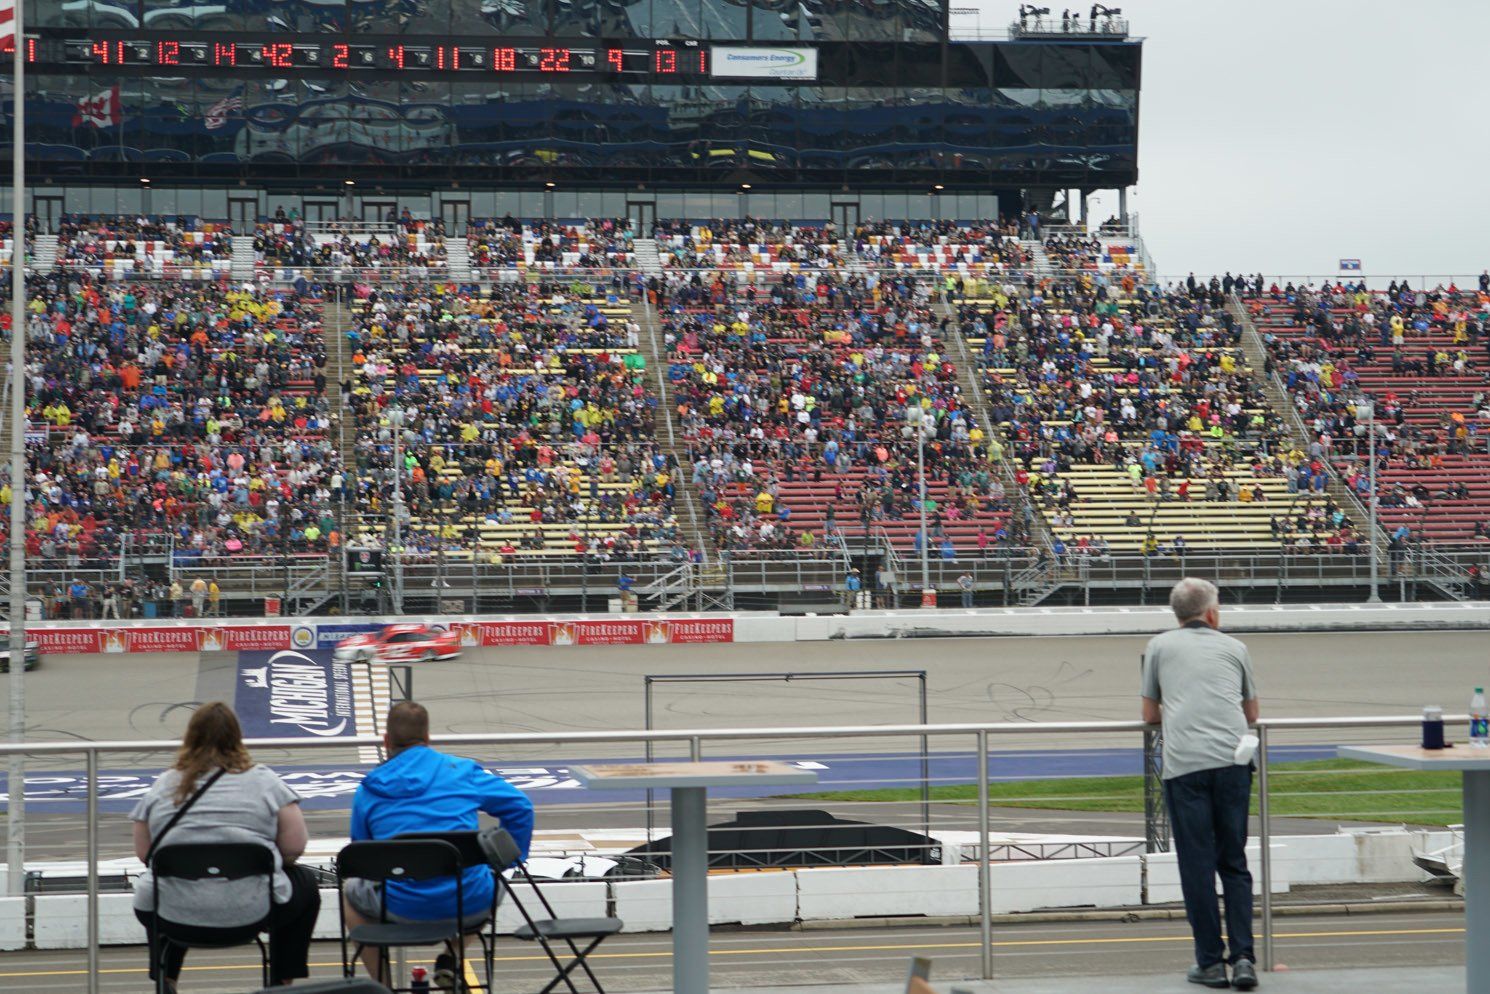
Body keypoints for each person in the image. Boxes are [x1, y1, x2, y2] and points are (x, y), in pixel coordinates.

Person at [131, 702, 320, 989]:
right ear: (237, 738)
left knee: (165, 883)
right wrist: (264, 861)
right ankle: (282, 981)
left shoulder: (163, 785)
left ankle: (165, 978)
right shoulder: (265, 782)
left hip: (175, 914)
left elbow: (146, 854)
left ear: (189, 738)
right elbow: (295, 847)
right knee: (305, 882)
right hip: (251, 911)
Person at [346, 701, 535, 986]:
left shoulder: (369, 789)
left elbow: (361, 856)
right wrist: (508, 858)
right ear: (427, 739)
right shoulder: (461, 772)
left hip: (400, 908)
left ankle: (381, 985)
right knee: (494, 880)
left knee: (350, 892)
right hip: (468, 904)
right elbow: (521, 808)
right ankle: (452, 956)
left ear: (386, 741)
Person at [1140, 579, 1260, 990]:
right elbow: (1252, 711)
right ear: (1212, 614)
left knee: (1197, 866)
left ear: (1177, 614)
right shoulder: (1235, 647)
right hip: (1232, 761)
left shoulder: (1158, 646)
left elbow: (1150, 713)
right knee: (1234, 862)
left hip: (1185, 765)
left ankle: (1210, 962)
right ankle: (1244, 958)